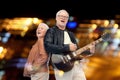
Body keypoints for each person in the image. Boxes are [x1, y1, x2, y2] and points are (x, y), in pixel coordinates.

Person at [44, 9, 95, 80]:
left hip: (73, 65)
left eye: (65, 17)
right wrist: (67, 47)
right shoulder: (51, 32)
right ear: (56, 18)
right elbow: (48, 46)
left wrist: (89, 52)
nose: (63, 18)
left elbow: (77, 50)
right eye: (61, 16)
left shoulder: (70, 34)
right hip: (61, 66)